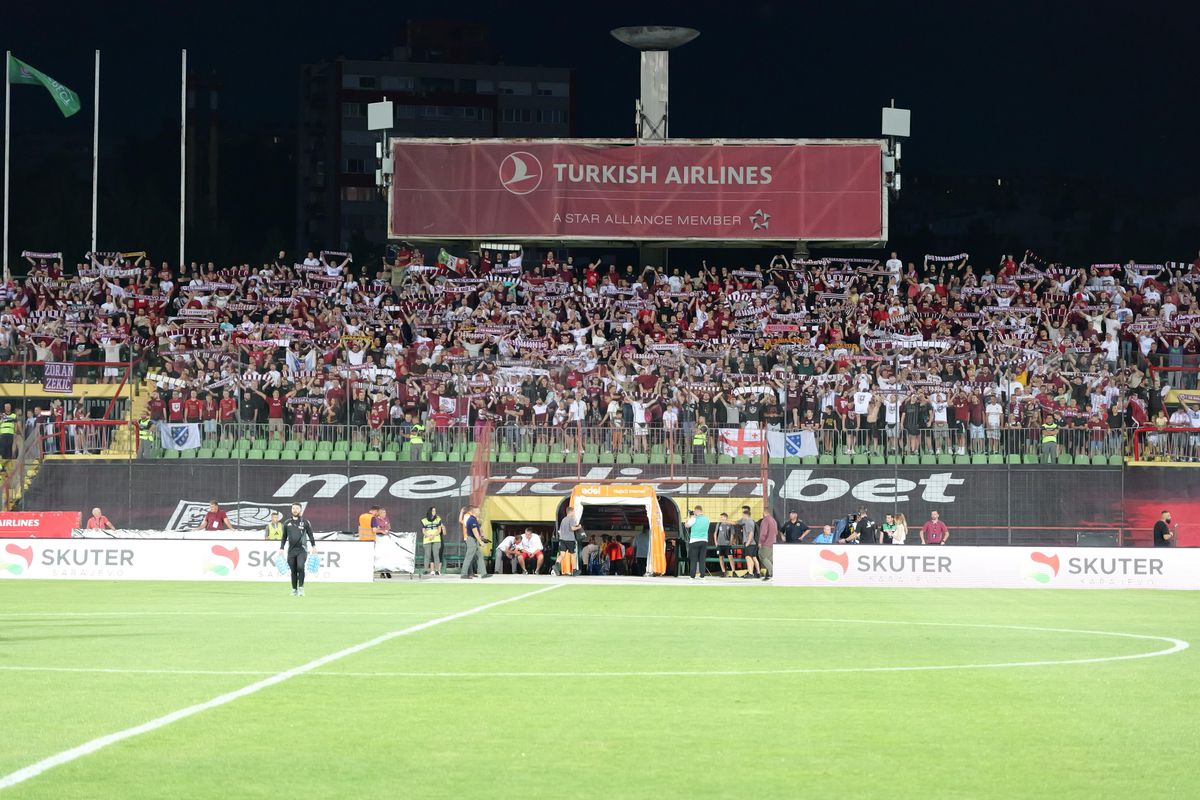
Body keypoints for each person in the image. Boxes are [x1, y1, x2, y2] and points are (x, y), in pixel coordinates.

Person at [278, 503, 316, 596]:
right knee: (293, 570)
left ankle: (301, 588)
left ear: (300, 510)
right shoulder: (287, 523)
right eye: (293, 508)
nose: (295, 510)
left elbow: (310, 534)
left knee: (300, 567)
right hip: (291, 551)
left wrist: (313, 546)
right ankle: (294, 590)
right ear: (291, 510)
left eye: (297, 508)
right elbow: (284, 537)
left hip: (302, 550)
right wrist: (281, 548)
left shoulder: (305, 522)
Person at [459, 505, 489, 579]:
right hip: (471, 540)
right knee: (469, 557)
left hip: (474, 540)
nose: (479, 512)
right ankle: (464, 574)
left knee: (480, 556)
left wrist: (481, 537)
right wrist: (481, 542)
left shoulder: (474, 519)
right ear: (474, 511)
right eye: (478, 510)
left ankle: (484, 573)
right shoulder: (471, 520)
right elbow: (475, 533)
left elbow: (478, 531)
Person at [684, 505, 711, 579]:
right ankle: (702, 576)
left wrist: (689, 518)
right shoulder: (707, 519)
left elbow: (686, 525)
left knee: (694, 559)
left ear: (696, 511)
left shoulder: (693, 518)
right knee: (702, 559)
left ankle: (692, 576)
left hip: (694, 541)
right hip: (704, 540)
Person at [556, 505, 582, 576]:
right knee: (573, 555)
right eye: (574, 511)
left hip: (562, 539)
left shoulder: (563, 519)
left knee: (562, 554)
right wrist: (579, 527)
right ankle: (574, 570)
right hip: (570, 539)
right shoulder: (571, 519)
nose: (574, 513)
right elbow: (572, 528)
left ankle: (556, 565)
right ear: (571, 512)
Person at [420, 506, 445, 575]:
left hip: (436, 539)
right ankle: (425, 570)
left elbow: (439, 530)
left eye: (435, 511)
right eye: (433, 511)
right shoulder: (424, 520)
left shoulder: (438, 519)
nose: (434, 512)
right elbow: (423, 530)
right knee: (427, 554)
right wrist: (428, 536)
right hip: (427, 539)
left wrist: (433, 535)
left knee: (436, 554)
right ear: (430, 511)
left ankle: (437, 570)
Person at [757, 509, 781, 581]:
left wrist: (760, 542)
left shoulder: (765, 520)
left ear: (764, 513)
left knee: (762, 557)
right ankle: (774, 574)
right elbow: (776, 532)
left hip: (766, 543)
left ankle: (772, 573)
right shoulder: (773, 520)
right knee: (770, 559)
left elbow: (763, 532)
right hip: (773, 542)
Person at [739, 506, 760, 579]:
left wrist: (748, 542)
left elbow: (751, 533)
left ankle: (750, 573)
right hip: (753, 543)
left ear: (745, 515)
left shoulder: (748, 522)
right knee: (753, 557)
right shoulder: (752, 521)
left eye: (743, 515)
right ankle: (758, 573)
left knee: (748, 557)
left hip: (750, 543)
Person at [714, 512, 737, 577]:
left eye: (722, 517)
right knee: (721, 557)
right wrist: (716, 542)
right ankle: (723, 572)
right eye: (720, 517)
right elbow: (715, 533)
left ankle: (733, 572)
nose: (720, 518)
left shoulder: (730, 524)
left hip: (727, 544)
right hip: (720, 544)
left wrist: (730, 542)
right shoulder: (718, 524)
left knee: (730, 557)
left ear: (725, 518)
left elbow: (732, 534)